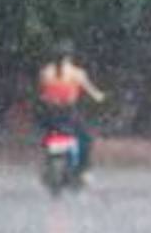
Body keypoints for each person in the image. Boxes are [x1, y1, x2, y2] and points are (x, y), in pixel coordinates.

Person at [37, 41, 105, 175]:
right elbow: (93, 93)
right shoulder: (77, 73)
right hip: (68, 113)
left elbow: (43, 94)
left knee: (48, 135)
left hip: (50, 114)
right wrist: (100, 97)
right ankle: (83, 169)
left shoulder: (45, 72)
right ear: (70, 56)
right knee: (86, 139)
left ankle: (48, 163)